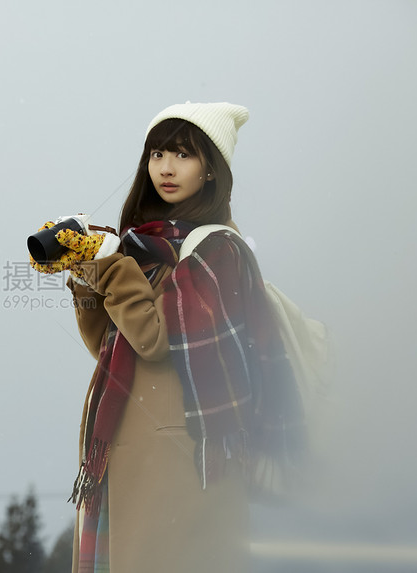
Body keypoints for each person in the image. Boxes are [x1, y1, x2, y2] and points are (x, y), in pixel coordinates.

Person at [30, 102, 305, 572]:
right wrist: (85, 270)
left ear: (212, 171)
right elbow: (108, 343)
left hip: (182, 459)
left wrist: (112, 266)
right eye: (157, 154)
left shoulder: (216, 249)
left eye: (183, 155)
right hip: (129, 449)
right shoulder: (148, 245)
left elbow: (155, 340)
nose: (166, 168)